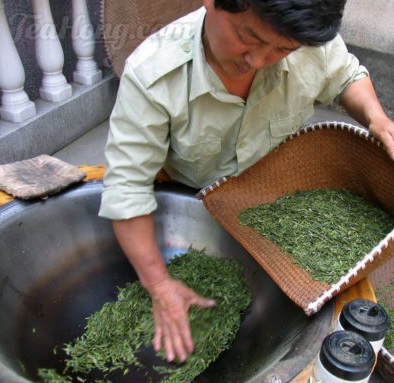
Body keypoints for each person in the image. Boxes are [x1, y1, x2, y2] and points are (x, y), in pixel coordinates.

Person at [99, 0, 394, 363]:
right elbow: (127, 190)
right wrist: (159, 285)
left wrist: (376, 118)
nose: (256, 60)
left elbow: (346, 75)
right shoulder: (152, 73)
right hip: (193, 197)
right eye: (248, 37)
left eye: (282, 50)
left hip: (274, 195)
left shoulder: (308, 41)